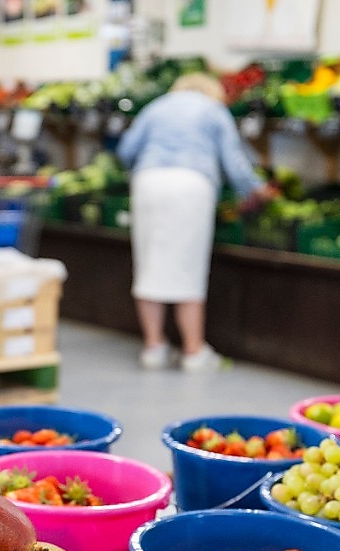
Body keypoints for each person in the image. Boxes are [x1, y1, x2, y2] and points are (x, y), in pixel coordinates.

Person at [116, 73, 275, 371]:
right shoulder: (213, 110)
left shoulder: (157, 106)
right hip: (191, 184)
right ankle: (193, 351)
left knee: (149, 264)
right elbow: (234, 161)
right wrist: (256, 190)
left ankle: (154, 348)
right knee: (188, 266)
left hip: (148, 182)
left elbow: (126, 151)